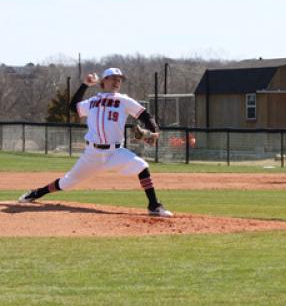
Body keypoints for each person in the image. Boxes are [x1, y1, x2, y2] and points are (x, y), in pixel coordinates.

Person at [18, 68, 173, 217]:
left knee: (142, 166)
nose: (117, 81)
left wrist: (154, 131)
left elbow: (146, 116)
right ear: (103, 81)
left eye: (119, 79)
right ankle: (37, 193)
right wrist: (85, 84)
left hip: (115, 152)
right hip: (92, 154)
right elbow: (73, 107)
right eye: (113, 78)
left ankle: (154, 205)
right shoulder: (92, 101)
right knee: (67, 182)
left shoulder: (124, 100)